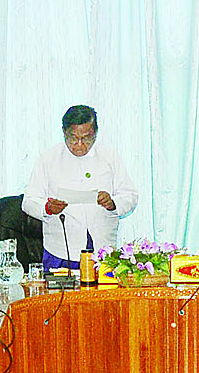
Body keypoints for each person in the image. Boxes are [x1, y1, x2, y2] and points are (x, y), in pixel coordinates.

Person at [22, 105, 140, 272]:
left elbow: (130, 196)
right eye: (73, 138)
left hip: (103, 251)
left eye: (86, 138)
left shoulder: (109, 157)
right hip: (60, 252)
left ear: (95, 133)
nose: (79, 145)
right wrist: (47, 208)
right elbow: (28, 202)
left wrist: (112, 203)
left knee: (105, 290)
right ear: (64, 132)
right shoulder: (47, 159)